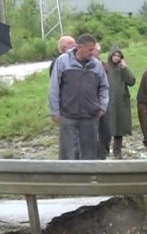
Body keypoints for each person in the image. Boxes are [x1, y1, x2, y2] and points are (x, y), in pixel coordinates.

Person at [48, 33, 109, 161]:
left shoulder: (97, 65)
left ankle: (88, 179)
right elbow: (54, 87)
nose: (92, 53)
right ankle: (67, 179)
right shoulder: (62, 62)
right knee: (67, 154)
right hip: (67, 115)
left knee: (89, 154)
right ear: (80, 47)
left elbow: (104, 87)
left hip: (90, 116)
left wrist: (102, 107)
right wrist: (55, 111)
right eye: (90, 50)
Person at [101, 46, 135, 160]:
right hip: (108, 102)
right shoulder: (105, 68)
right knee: (106, 127)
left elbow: (131, 81)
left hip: (121, 103)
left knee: (119, 128)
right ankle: (103, 151)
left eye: (119, 56)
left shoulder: (122, 69)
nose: (116, 58)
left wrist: (125, 68)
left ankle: (117, 151)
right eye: (114, 55)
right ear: (110, 56)